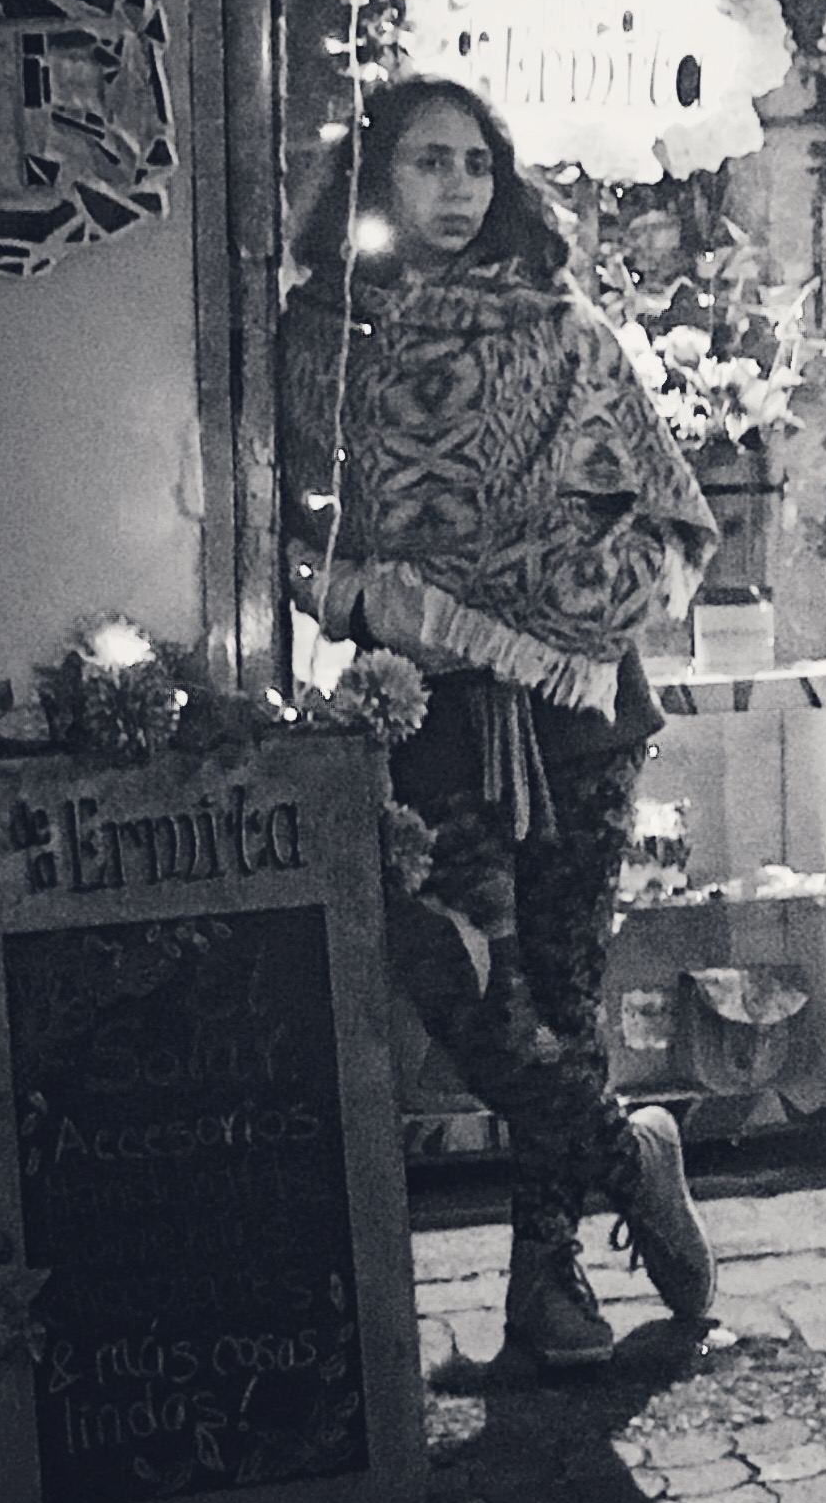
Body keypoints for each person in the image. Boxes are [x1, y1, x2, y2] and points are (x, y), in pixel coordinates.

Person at [278, 75, 721, 1370]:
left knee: (564, 1002)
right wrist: (360, 596)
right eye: (429, 161)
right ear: (376, 178)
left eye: (477, 163)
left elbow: (666, 512)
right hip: (421, 716)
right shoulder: (320, 343)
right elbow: (291, 527)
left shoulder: (562, 332)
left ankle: (548, 1283)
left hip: (578, 711)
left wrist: (551, 600)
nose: (459, 188)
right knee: (472, 994)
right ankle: (633, 1161)